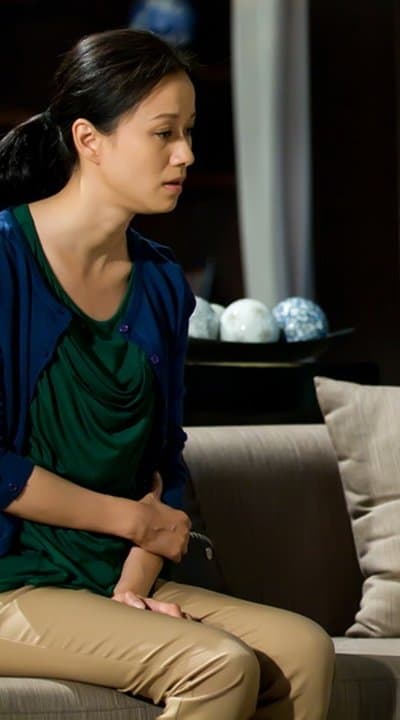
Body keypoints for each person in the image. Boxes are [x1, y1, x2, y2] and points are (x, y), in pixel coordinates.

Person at [0, 29, 333, 719]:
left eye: (188, 132)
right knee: (218, 666)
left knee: (304, 649)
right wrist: (134, 522)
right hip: (12, 584)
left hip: (112, 572)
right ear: (89, 140)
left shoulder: (159, 281)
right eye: (163, 133)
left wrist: (136, 574)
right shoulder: (5, 261)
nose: (185, 153)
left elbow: (166, 459)